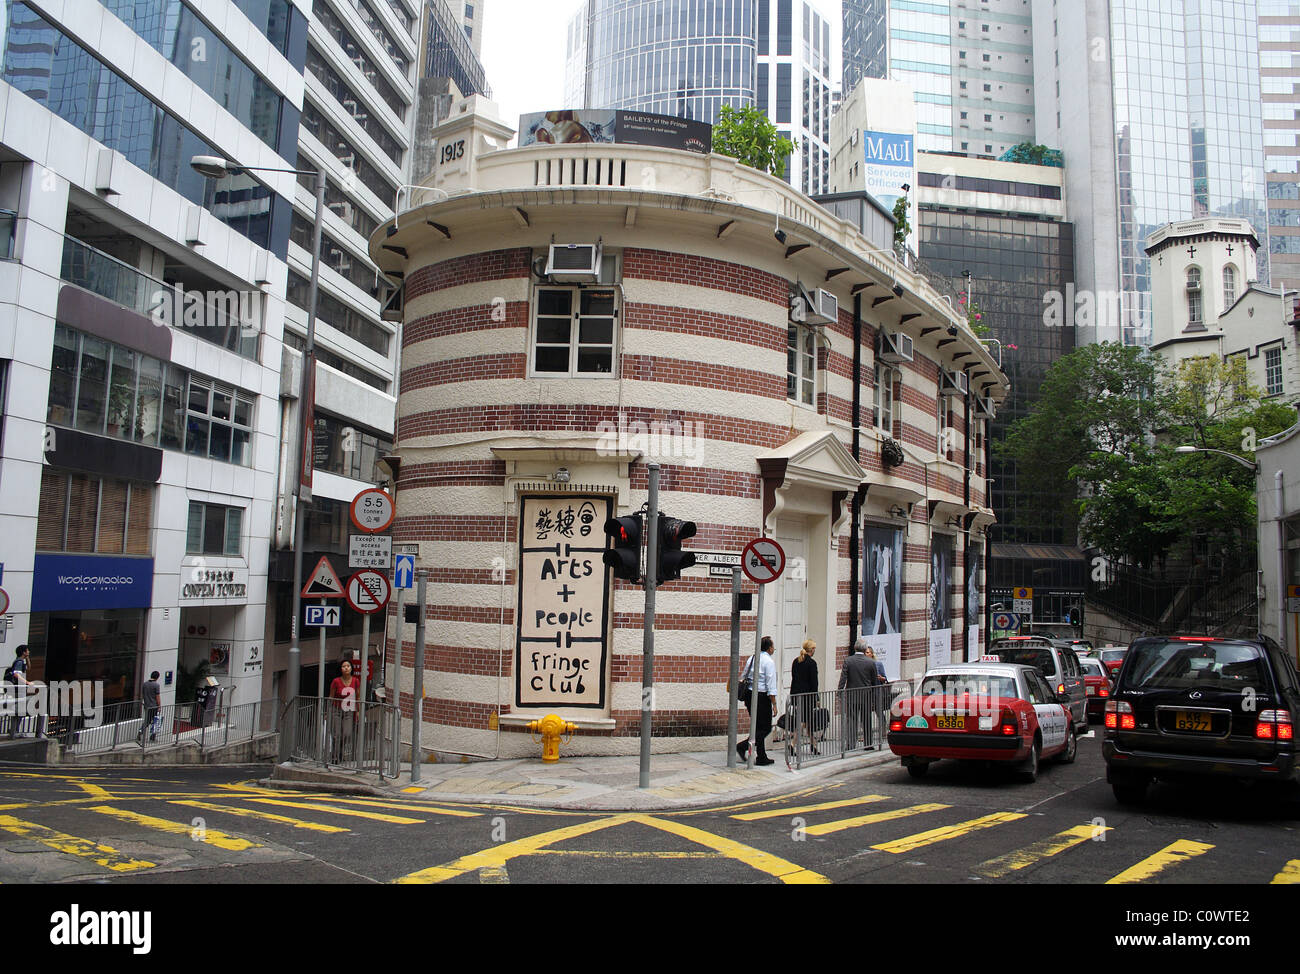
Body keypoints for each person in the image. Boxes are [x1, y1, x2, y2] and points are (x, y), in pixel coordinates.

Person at [737, 636, 779, 766]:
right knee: (766, 728)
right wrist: (774, 704)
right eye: (773, 646)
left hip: (749, 695)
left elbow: (744, 675)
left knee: (757, 726)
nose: (774, 649)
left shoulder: (752, 658)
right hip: (761, 696)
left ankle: (761, 756)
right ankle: (743, 746)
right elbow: (770, 685)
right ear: (769, 648)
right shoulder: (769, 662)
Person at [839, 638, 880, 750]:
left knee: (852, 720)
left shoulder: (848, 660)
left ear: (854, 647)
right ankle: (868, 744)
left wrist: (839, 691)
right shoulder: (871, 662)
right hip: (866, 695)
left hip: (852, 695)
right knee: (866, 719)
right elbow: (874, 680)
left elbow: (843, 678)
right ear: (864, 649)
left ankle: (851, 744)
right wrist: (874, 695)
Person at [790, 639, 820, 755]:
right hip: (808, 697)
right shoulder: (812, 663)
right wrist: (816, 698)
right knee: (803, 721)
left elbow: (794, 678)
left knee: (808, 722)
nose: (815, 650)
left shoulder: (796, 661)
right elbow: (814, 683)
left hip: (797, 695)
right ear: (811, 650)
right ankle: (792, 744)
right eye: (814, 649)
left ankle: (813, 745)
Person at [329, 659, 361, 763]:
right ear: (341, 669)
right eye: (344, 666)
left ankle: (340, 752)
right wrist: (328, 711)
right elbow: (331, 696)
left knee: (346, 733)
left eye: (348, 666)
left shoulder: (355, 681)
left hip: (349, 709)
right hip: (336, 709)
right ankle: (334, 757)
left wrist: (358, 711)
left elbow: (358, 696)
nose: (346, 668)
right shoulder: (336, 681)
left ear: (351, 668)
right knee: (336, 734)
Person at [5, 646, 31, 738]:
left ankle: (14, 729)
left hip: (19, 690)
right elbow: (16, 674)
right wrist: (28, 683)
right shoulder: (19, 662)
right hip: (18, 690)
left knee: (20, 710)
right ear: (24, 652)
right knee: (20, 710)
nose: (29, 651)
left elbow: (28, 668)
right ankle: (14, 730)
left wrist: (27, 658)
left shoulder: (20, 661)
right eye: (27, 651)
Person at [138, 671, 161, 745]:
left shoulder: (145, 684)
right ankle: (153, 736)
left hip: (147, 706)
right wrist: (159, 706)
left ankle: (140, 731)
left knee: (147, 720)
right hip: (154, 706)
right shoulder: (156, 685)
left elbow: (143, 694)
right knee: (155, 721)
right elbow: (157, 697)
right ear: (157, 677)